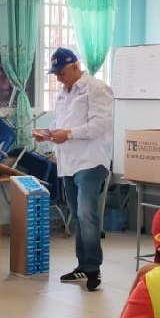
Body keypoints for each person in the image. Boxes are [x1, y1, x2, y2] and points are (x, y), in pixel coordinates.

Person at [33, 47, 113, 291]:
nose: (58, 78)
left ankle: (93, 270)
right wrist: (47, 134)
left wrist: (68, 134)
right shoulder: (63, 93)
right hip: (67, 164)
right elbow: (61, 123)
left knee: (87, 214)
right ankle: (83, 266)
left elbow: (99, 124)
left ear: (76, 67)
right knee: (78, 216)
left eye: (62, 72)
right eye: (55, 74)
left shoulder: (97, 89)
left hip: (91, 161)